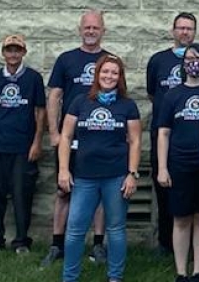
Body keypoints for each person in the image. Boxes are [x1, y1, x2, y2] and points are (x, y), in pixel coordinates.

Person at [58, 54, 141, 282]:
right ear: (97, 74)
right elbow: (65, 136)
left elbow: (135, 141)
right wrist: (64, 170)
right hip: (84, 177)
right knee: (75, 230)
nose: (109, 76)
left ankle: (115, 277)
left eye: (114, 72)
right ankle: (70, 277)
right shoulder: (80, 102)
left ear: (120, 77)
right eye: (105, 72)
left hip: (115, 177)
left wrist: (132, 174)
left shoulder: (128, 105)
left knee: (115, 229)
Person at [43, 10, 113, 268]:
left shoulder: (110, 62)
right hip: (70, 139)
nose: (91, 31)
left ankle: (97, 245)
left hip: (101, 140)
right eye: (87, 27)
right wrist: (54, 132)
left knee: (100, 194)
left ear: (103, 30)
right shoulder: (66, 59)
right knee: (64, 191)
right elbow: (54, 96)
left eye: (96, 27)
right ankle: (57, 245)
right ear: (80, 29)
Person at [158, 44, 199, 282]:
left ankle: (198, 271)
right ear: (183, 64)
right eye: (189, 58)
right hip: (180, 164)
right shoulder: (173, 94)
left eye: (198, 57)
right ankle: (181, 271)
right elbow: (163, 132)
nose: (193, 61)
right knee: (181, 217)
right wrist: (163, 167)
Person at [0, 34, 46, 254]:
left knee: (22, 194)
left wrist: (37, 142)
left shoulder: (33, 79)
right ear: (3, 52)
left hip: (24, 147)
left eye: (17, 50)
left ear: (24, 52)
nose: (13, 54)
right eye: (9, 49)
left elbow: (40, 111)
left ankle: (21, 241)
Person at [147, 12, 199, 256]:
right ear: (173, 31)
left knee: (193, 192)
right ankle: (166, 243)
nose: (184, 32)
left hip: (191, 137)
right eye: (180, 28)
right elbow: (152, 94)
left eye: (189, 28)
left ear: (195, 32)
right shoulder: (158, 60)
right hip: (162, 135)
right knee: (164, 188)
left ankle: (194, 245)